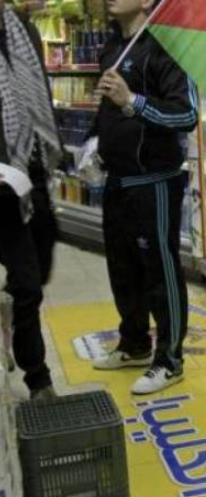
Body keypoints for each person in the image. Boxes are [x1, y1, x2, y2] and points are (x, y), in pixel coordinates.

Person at [90, 0, 197, 395]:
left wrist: (132, 101)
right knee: (123, 269)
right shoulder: (111, 47)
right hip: (117, 180)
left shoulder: (167, 47)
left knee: (160, 272)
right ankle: (134, 344)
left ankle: (170, 360)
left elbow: (185, 115)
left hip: (154, 181)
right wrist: (93, 141)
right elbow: (108, 108)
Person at [0, 0, 62, 400]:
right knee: (27, 285)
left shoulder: (21, 27)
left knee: (38, 270)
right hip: (2, 187)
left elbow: (38, 92)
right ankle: (38, 377)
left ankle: (8, 316)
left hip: (32, 170)